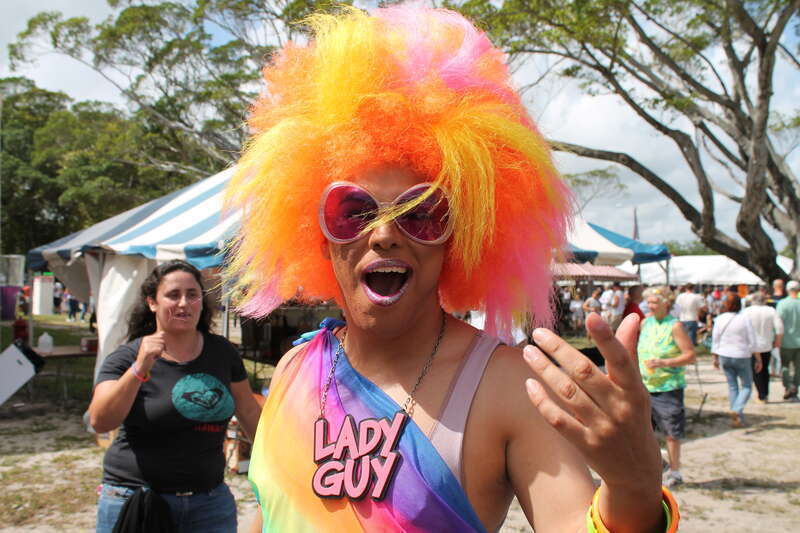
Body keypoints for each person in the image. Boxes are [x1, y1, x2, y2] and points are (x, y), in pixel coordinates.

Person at [226, 5, 676, 532]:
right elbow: (270, 513)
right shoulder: (295, 370)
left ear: (456, 244)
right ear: (319, 238)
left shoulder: (508, 385)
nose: (384, 233)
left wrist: (633, 488)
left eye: (421, 213)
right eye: (353, 211)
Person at [88, 260, 262, 532]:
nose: (184, 303)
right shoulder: (126, 357)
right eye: (173, 295)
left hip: (209, 504)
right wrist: (139, 369)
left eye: (192, 295)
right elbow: (100, 421)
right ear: (152, 302)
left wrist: (274, 465)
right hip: (138, 501)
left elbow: (248, 411)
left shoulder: (222, 352)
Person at [638, 286, 696, 488]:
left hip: (668, 387)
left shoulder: (675, 326)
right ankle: (657, 466)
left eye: (654, 302)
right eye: (648, 302)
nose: (650, 305)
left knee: (671, 432)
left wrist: (664, 362)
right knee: (643, 431)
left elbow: (690, 355)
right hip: (645, 385)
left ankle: (675, 471)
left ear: (666, 303)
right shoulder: (645, 323)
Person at [711, 294, 760, 427]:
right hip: (741, 355)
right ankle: (737, 410)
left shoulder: (720, 319)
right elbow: (752, 340)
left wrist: (714, 357)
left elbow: (715, 339)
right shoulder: (744, 319)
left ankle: (737, 418)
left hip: (724, 354)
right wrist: (758, 358)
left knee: (732, 386)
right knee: (747, 386)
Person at [742, 292, 783, 402]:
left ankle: (761, 394)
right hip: (766, 344)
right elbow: (779, 327)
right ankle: (765, 393)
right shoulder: (771, 310)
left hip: (752, 345)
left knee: (756, 370)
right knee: (764, 369)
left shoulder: (747, 311)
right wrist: (777, 341)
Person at [777, 280, 800, 400]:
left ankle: (789, 386)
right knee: (798, 368)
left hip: (785, 341)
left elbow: (778, 322)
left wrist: (776, 339)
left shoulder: (783, 304)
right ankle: (795, 389)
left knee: (785, 366)